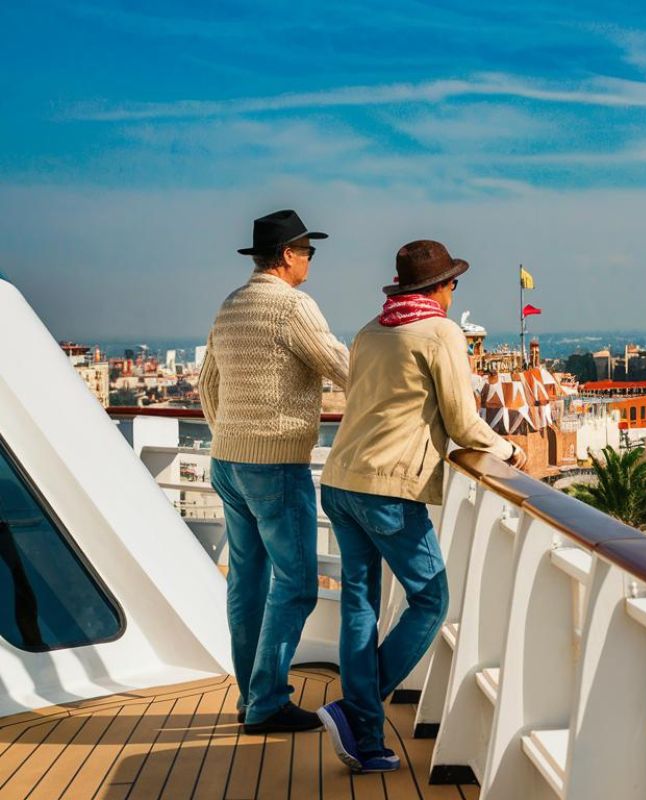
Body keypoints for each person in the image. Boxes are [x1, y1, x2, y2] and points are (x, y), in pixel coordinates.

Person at [316, 239, 526, 773]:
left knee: (360, 604)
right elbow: (461, 423)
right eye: (453, 284)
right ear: (440, 288)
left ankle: (363, 734)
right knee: (431, 600)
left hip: (341, 480)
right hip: (390, 489)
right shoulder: (439, 332)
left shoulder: (370, 331)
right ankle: (355, 711)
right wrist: (509, 449)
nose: (455, 293)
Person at [198, 209, 349, 733]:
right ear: (288, 254)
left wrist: (232, 437)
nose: (310, 261)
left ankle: (250, 697)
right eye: (308, 251)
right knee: (298, 583)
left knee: (246, 581)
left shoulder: (231, 305)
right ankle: (265, 702)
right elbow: (341, 366)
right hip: (275, 464)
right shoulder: (291, 306)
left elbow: (207, 387)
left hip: (227, 460)